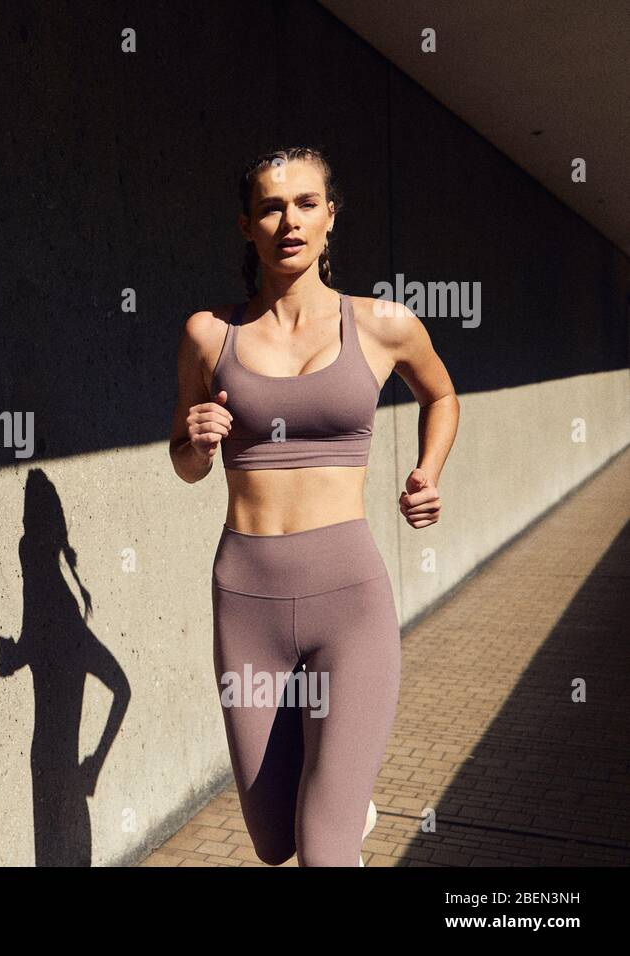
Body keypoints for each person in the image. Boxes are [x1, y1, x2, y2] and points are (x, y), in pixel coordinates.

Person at [168, 146, 459, 866]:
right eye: (270, 206)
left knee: (320, 848)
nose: (288, 220)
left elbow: (442, 395)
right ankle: (342, 804)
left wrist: (428, 471)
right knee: (273, 842)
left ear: (331, 216)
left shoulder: (384, 324)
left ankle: (337, 813)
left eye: (305, 203)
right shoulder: (209, 334)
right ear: (247, 225)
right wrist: (199, 443)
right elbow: (183, 460)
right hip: (246, 599)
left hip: (349, 600)